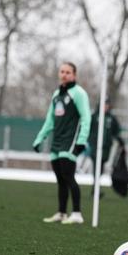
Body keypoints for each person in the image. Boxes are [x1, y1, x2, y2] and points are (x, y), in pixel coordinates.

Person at [33, 62, 91, 224]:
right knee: (60, 178)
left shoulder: (79, 93)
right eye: (62, 72)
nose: (64, 75)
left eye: (68, 72)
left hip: (70, 140)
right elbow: (49, 120)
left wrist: (81, 140)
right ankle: (61, 213)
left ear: (74, 75)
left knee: (68, 175)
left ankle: (77, 214)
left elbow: (86, 118)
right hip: (57, 140)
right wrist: (39, 138)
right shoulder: (56, 94)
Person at [88, 98, 123, 194]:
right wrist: (90, 140)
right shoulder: (94, 116)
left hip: (106, 148)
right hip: (95, 147)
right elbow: (88, 128)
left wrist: (119, 141)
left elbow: (116, 131)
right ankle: (96, 189)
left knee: (101, 168)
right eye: (104, 104)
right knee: (96, 166)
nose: (106, 107)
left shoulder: (111, 118)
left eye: (107, 105)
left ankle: (96, 187)